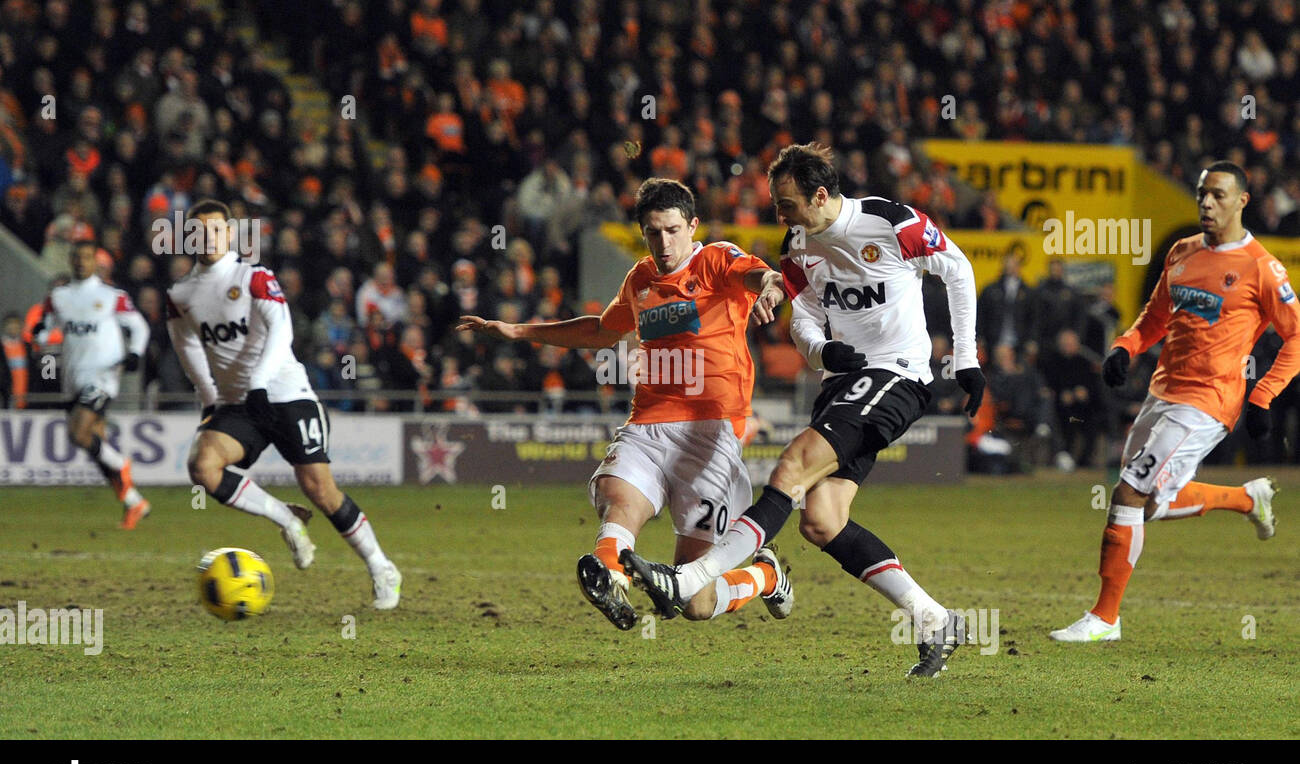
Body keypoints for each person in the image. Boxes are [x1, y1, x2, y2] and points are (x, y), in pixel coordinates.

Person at [621, 144, 984, 677]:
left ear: (820, 196)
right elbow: (804, 315)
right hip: (844, 382)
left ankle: (688, 579)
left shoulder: (890, 222)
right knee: (821, 521)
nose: (779, 215)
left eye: (786, 204)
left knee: (789, 469)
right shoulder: (799, 244)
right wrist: (820, 350)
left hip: (897, 374)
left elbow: (957, 268)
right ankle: (936, 620)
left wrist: (967, 357)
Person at [457, 177, 787, 630]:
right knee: (618, 496)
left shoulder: (715, 260)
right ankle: (611, 576)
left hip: (710, 434)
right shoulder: (640, 279)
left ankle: (765, 576)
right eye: (653, 232)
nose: (664, 242)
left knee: (694, 602)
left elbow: (762, 275)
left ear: (693, 226)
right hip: (648, 422)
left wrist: (771, 287)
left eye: (672, 230)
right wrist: (519, 331)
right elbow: (601, 330)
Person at [1051, 161, 1298, 642]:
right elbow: (1156, 315)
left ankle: (1105, 619)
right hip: (1163, 391)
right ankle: (1248, 498)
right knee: (1146, 504)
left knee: (1128, 492)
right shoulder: (1182, 252)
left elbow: (1294, 337)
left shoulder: (1262, 268)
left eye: (1219, 195)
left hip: (1208, 401)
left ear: (1242, 201)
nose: (1207, 203)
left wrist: (1264, 395)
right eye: (1203, 193)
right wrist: (1126, 346)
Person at [166, 200, 402, 609]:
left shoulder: (253, 275)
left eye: (216, 230)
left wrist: (259, 383)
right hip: (238, 404)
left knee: (321, 490)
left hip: (287, 394)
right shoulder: (181, 294)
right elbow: (187, 346)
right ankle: (286, 519)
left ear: (230, 234)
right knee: (203, 467)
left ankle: (382, 567)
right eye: (199, 231)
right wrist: (210, 398)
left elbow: (282, 329)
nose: (208, 238)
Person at [33, 240, 150, 528]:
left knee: (78, 433)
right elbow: (44, 328)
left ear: (96, 262)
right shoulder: (58, 296)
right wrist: (40, 332)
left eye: (87, 257)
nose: (81, 262)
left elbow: (139, 326)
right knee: (94, 444)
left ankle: (122, 464)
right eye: (77, 257)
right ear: (71, 260)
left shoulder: (111, 295)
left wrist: (134, 352)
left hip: (103, 375)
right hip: (72, 377)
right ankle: (134, 501)